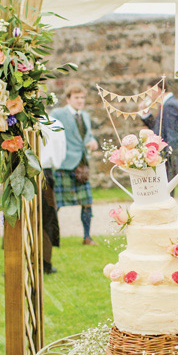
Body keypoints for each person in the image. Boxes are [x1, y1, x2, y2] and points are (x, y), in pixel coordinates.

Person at [51, 82, 99, 246]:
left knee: (87, 202)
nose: (80, 101)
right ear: (68, 98)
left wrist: (92, 141)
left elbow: (87, 136)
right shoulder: (58, 114)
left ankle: (87, 237)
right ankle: (52, 238)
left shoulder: (85, 115)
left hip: (81, 165)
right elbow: (52, 136)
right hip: (64, 165)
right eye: (77, 97)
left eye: (83, 98)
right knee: (56, 204)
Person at [139, 78, 178, 183]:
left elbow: (172, 135)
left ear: (158, 90)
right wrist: (146, 115)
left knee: (166, 190)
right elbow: (158, 130)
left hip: (168, 156)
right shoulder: (166, 105)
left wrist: (166, 156)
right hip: (165, 155)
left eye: (150, 92)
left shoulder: (170, 106)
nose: (149, 96)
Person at [40, 113, 66, 275]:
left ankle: (41, 262)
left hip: (32, 173)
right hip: (45, 173)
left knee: (44, 218)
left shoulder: (14, 121)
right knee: (46, 218)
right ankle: (44, 263)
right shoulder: (54, 123)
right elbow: (60, 154)